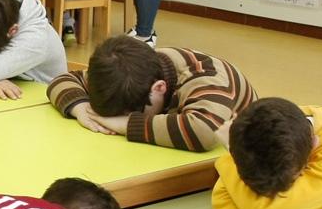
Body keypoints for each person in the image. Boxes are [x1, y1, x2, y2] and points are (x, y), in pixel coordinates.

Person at [47, 35, 256, 150]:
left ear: (159, 88)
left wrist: (125, 124)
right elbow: (63, 79)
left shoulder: (207, 78)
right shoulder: (124, 70)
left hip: (248, 163)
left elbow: (206, 132)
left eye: (128, 113)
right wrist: (82, 110)